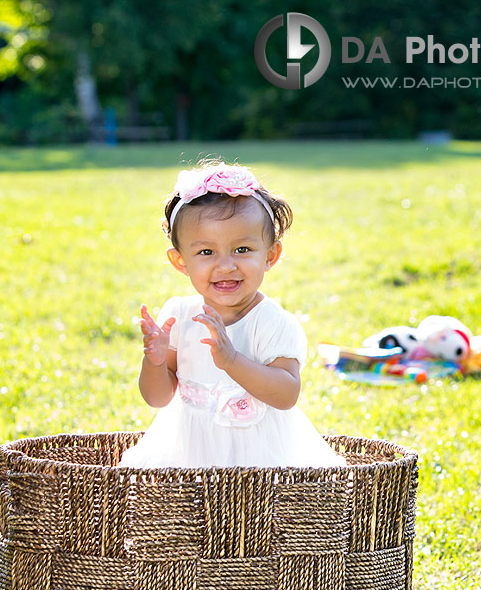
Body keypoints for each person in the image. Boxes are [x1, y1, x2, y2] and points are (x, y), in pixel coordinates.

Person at [119, 162, 344, 469]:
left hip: (261, 458)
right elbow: (157, 398)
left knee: (255, 514)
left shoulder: (273, 322)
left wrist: (231, 360)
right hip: (190, 453)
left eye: (242, 249)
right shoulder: (180, 315)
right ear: (180, 261)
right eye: (206, 252)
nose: (226, 266)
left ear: (270, 255)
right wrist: (155, 361)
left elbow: (286, 394)